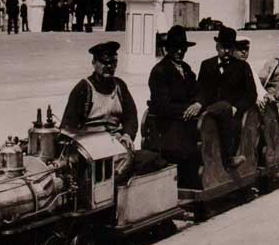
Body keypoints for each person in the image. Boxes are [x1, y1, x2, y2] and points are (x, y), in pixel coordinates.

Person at [61, 41, 165, 178]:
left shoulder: (120, 86)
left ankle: (114, 177)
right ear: (94, 63)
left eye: (112, 63)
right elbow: (68, 126)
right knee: (116, 166)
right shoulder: (83, 88)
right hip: (91, 147)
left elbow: (131, 116)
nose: (109, 67)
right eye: (104, 62)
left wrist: (127, 135)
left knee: (156, 159)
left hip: (116, 144)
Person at [187, 27, 257, 168]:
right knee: (195, 124)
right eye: (223, 47)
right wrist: (199, 102)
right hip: (210, 111)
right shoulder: (207, 65)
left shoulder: (242, 67)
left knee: (227, 114)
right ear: (217, 46)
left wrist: (236, 107)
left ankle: (227, 159)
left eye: (230, 48)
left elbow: (251, 94)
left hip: (232, 116)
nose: (226, 51)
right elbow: (201, 90)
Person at [148, 26, 200, 187]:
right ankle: (187, 184)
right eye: (175, 48)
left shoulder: (186, 69)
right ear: (167, 49)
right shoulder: (160, 71)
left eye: (182, 48)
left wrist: (198, 104)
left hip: (188, 121)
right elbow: (162, 105)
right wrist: (188, 110)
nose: (179, 51)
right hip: (168, 125)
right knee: (187, 148)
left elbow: (197, 91)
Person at [233, 36, 269, 109]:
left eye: (246, 49)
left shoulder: (248, 66)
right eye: (240, 49)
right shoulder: (229, 67)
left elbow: (258, 86)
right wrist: (253, 100)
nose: (244, 52)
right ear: (232, 50)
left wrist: (265, 95)